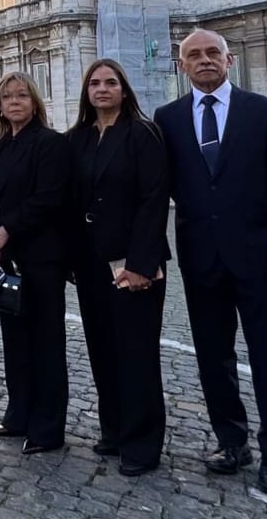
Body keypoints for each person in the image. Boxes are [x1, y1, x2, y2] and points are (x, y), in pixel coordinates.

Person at [154, 29, 267, 495]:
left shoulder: (265, 112)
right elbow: (158, 191)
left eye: (212, 53)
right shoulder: (168, 118)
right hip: (202, 259)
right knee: (212, 358)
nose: (204, 61)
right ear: (181, 66)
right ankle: (231, 441)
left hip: (260, 258)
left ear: (229, 59)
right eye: (193, 55)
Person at [65, 58, 170, 476]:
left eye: (111, 83)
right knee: (102, 350)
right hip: (91, 262)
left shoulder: (143, 134)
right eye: (95, 83)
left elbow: (153, 200)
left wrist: (142, 264)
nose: (102, 89)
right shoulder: (78, 138)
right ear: (87, 92)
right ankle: (113, 430)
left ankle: (142, 444)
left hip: (134, 262)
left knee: (137, 354)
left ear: (124, 90)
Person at [0, 72, 69, 453]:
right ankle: (19, 414)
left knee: (46, 341)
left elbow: (48, 197)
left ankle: (48, 428)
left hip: (42, 257)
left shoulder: (51, 144)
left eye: (21, 96)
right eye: (7, 97)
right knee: (14, 341)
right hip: (6, 258)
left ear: (34, 103)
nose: (14, 102)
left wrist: (7, 229)